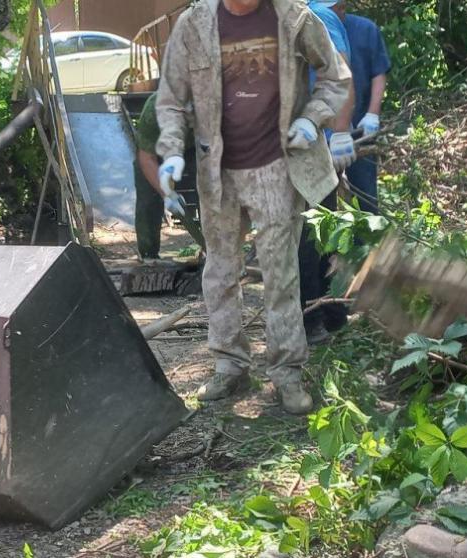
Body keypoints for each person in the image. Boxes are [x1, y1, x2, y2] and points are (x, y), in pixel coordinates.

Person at [155, 0, 352, 414]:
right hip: (218, 172)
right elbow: (171, 99)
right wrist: (172, 150)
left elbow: (336, 77)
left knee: (281, 275)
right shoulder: (195, 24)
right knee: (221, 273)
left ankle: (287, 374)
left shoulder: (294, 18)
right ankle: (230, 366)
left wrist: (312, 118)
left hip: (276, 168)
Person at [300, 0, 356, 345]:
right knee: (320, 232)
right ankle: (330, 315)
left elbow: (341, 75)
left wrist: (340, 133)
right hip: (308, 143)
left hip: (313, 145)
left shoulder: (316, 17)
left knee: (311, 234)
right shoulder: (318, 15)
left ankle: (315, 319)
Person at [336, 0, 391, 214]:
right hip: (322, 132)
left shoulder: (365, 29)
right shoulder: (312, 28)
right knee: (319, 202)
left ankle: (367, 242)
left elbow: (379, 72)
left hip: (360, 128)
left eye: (341, 6)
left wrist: (372, 114)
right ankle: (322, 246)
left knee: (365, 194)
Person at [133, 92, 196, 261]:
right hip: (156, 152)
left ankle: (216, 252)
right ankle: (148, 255)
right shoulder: (154, 109)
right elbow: (147, 158)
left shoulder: (213, 106)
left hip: (194, 148)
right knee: (148, 199)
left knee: (212, 193)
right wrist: (168, 194)